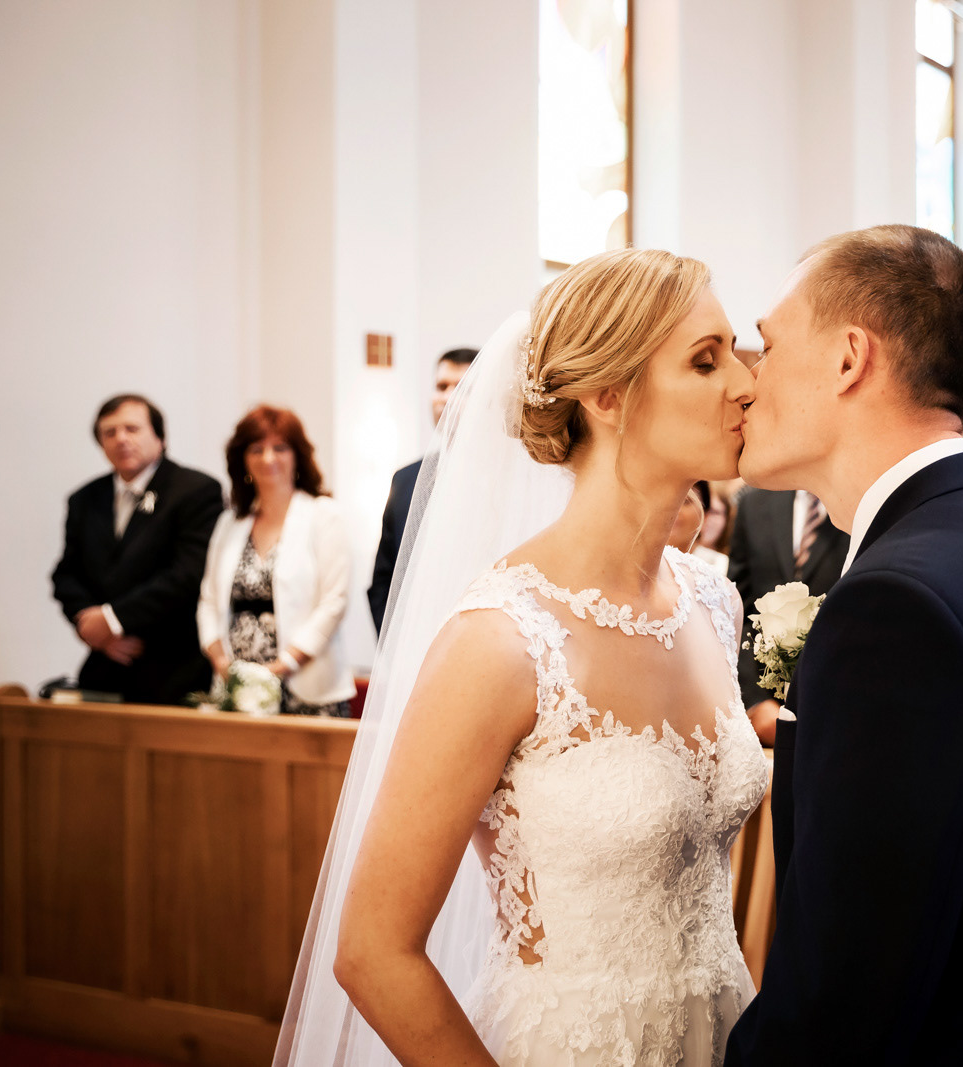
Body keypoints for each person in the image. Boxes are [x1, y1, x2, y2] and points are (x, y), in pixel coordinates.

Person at [280, 248, 765, 1065]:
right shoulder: (501, 638)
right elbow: (372, 950)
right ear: (607, 395)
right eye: (706, 361)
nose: (746, 384)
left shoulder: (714, 600)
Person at [725, 224, 963, 1064]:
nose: (748, 380)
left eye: (767, 345)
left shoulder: (896, 608)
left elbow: (842, 1008)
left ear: (848, 359)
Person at [51, 395, 224, 704]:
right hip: (105, 667)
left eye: (132, 429)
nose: (121, 439)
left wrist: (113, 619)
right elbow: (66, 574)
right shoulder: (85, 499)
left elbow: (188, 574)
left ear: (160, 437)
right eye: (110, 432)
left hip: (174, 668)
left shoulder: (196, 490)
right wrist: (90, 627)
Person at [197, 406, 356, 716]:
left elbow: (334, 603)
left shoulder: (323, 515)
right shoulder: (230, 523)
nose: (268, 458)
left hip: (306, 685)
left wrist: (282, 666)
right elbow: (208, 600)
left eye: (280, 448)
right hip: (236, 687)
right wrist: (221, 662)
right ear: (242, 459)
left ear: (298, 455)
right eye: (256, 449)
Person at [727, 486, 849, 745]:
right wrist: (755, 701)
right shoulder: (754, 503)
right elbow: (738, 612)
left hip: (838, 705)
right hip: (765, 711)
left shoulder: (856, 500)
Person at [367, 347, 477, 632]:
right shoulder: (405, 480)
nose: (446, 397)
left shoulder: (504, 477)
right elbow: (384, 577)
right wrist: (394, 646)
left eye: (461, 388)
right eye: (441, 386)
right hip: (411, 641)